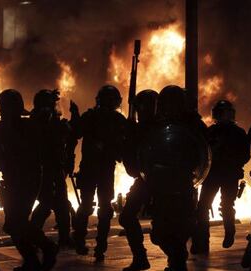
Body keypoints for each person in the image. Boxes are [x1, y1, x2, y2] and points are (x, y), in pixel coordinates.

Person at [0, 89, 58, 271]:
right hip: (11, 181)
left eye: (4, 107)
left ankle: (47, 248)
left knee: (17, 222)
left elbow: (39, 153)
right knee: (13, 225)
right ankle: (32, 260)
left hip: (28, 180)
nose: (2, 111)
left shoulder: (30, 127)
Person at [138, 85, 208, 271]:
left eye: (174, 103)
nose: (170, 107)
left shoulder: (192, 123)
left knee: (181, 228)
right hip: (161, 185)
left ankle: (177, 261)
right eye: (167, 103)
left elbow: (203, 149)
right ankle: (177, 257)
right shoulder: (156, 125)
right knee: (159, 233)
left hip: (182, 183)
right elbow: (145, 150)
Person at [71, 85, 128, 261]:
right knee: (96, 207)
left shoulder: (113, 119)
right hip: (94, 169)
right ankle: (88, 243)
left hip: (100, 169)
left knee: (98, 207)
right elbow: (76, 132)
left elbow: (125, 143)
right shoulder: (101, 118)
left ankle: (93, 245)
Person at [191, 100, 250, 254]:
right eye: (221, 112)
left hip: (229, 174)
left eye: (225, 112)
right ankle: (201, 242)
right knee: (203, 206)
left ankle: (229, 231)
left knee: (226, 205)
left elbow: (245, 155)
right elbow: (203, 152)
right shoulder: (210, 132)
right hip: (212, 174)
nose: (223, 115)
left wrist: (232, 162)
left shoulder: (238, 133)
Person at [30, 89, 77, 248]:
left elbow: (69, 139)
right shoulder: (35, 122)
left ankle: (64, 237)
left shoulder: (55, 121)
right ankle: (33, 235)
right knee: (46, 204)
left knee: (62, 205)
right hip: (42, 169)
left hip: (56, 168)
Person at [119, 89, 158, 271]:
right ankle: (140, 257)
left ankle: (177, 262)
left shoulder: (163, 128)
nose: (141, 112)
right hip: (144, 180)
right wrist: (128, 137)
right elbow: (132, 167)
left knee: (164, 229)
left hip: (164, 181)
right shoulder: (136, 129)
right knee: (127, 217)